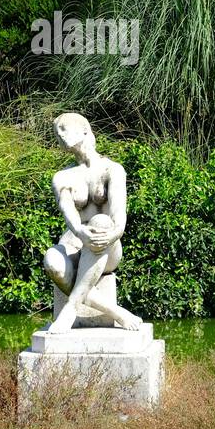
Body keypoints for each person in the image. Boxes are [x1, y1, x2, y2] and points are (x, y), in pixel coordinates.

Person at [42, 113, 143, 332]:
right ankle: (117, 313)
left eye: (64, 128)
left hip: (107, 244)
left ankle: (70, 309)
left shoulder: (112, 170)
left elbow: (119, 218)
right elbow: (67, 208)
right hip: (75, 243)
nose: (59, 133)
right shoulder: (62, 177)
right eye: (56, 130)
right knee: (51, 259)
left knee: (100, 220)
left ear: (85, 131)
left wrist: (113, 233)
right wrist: (79, 231)